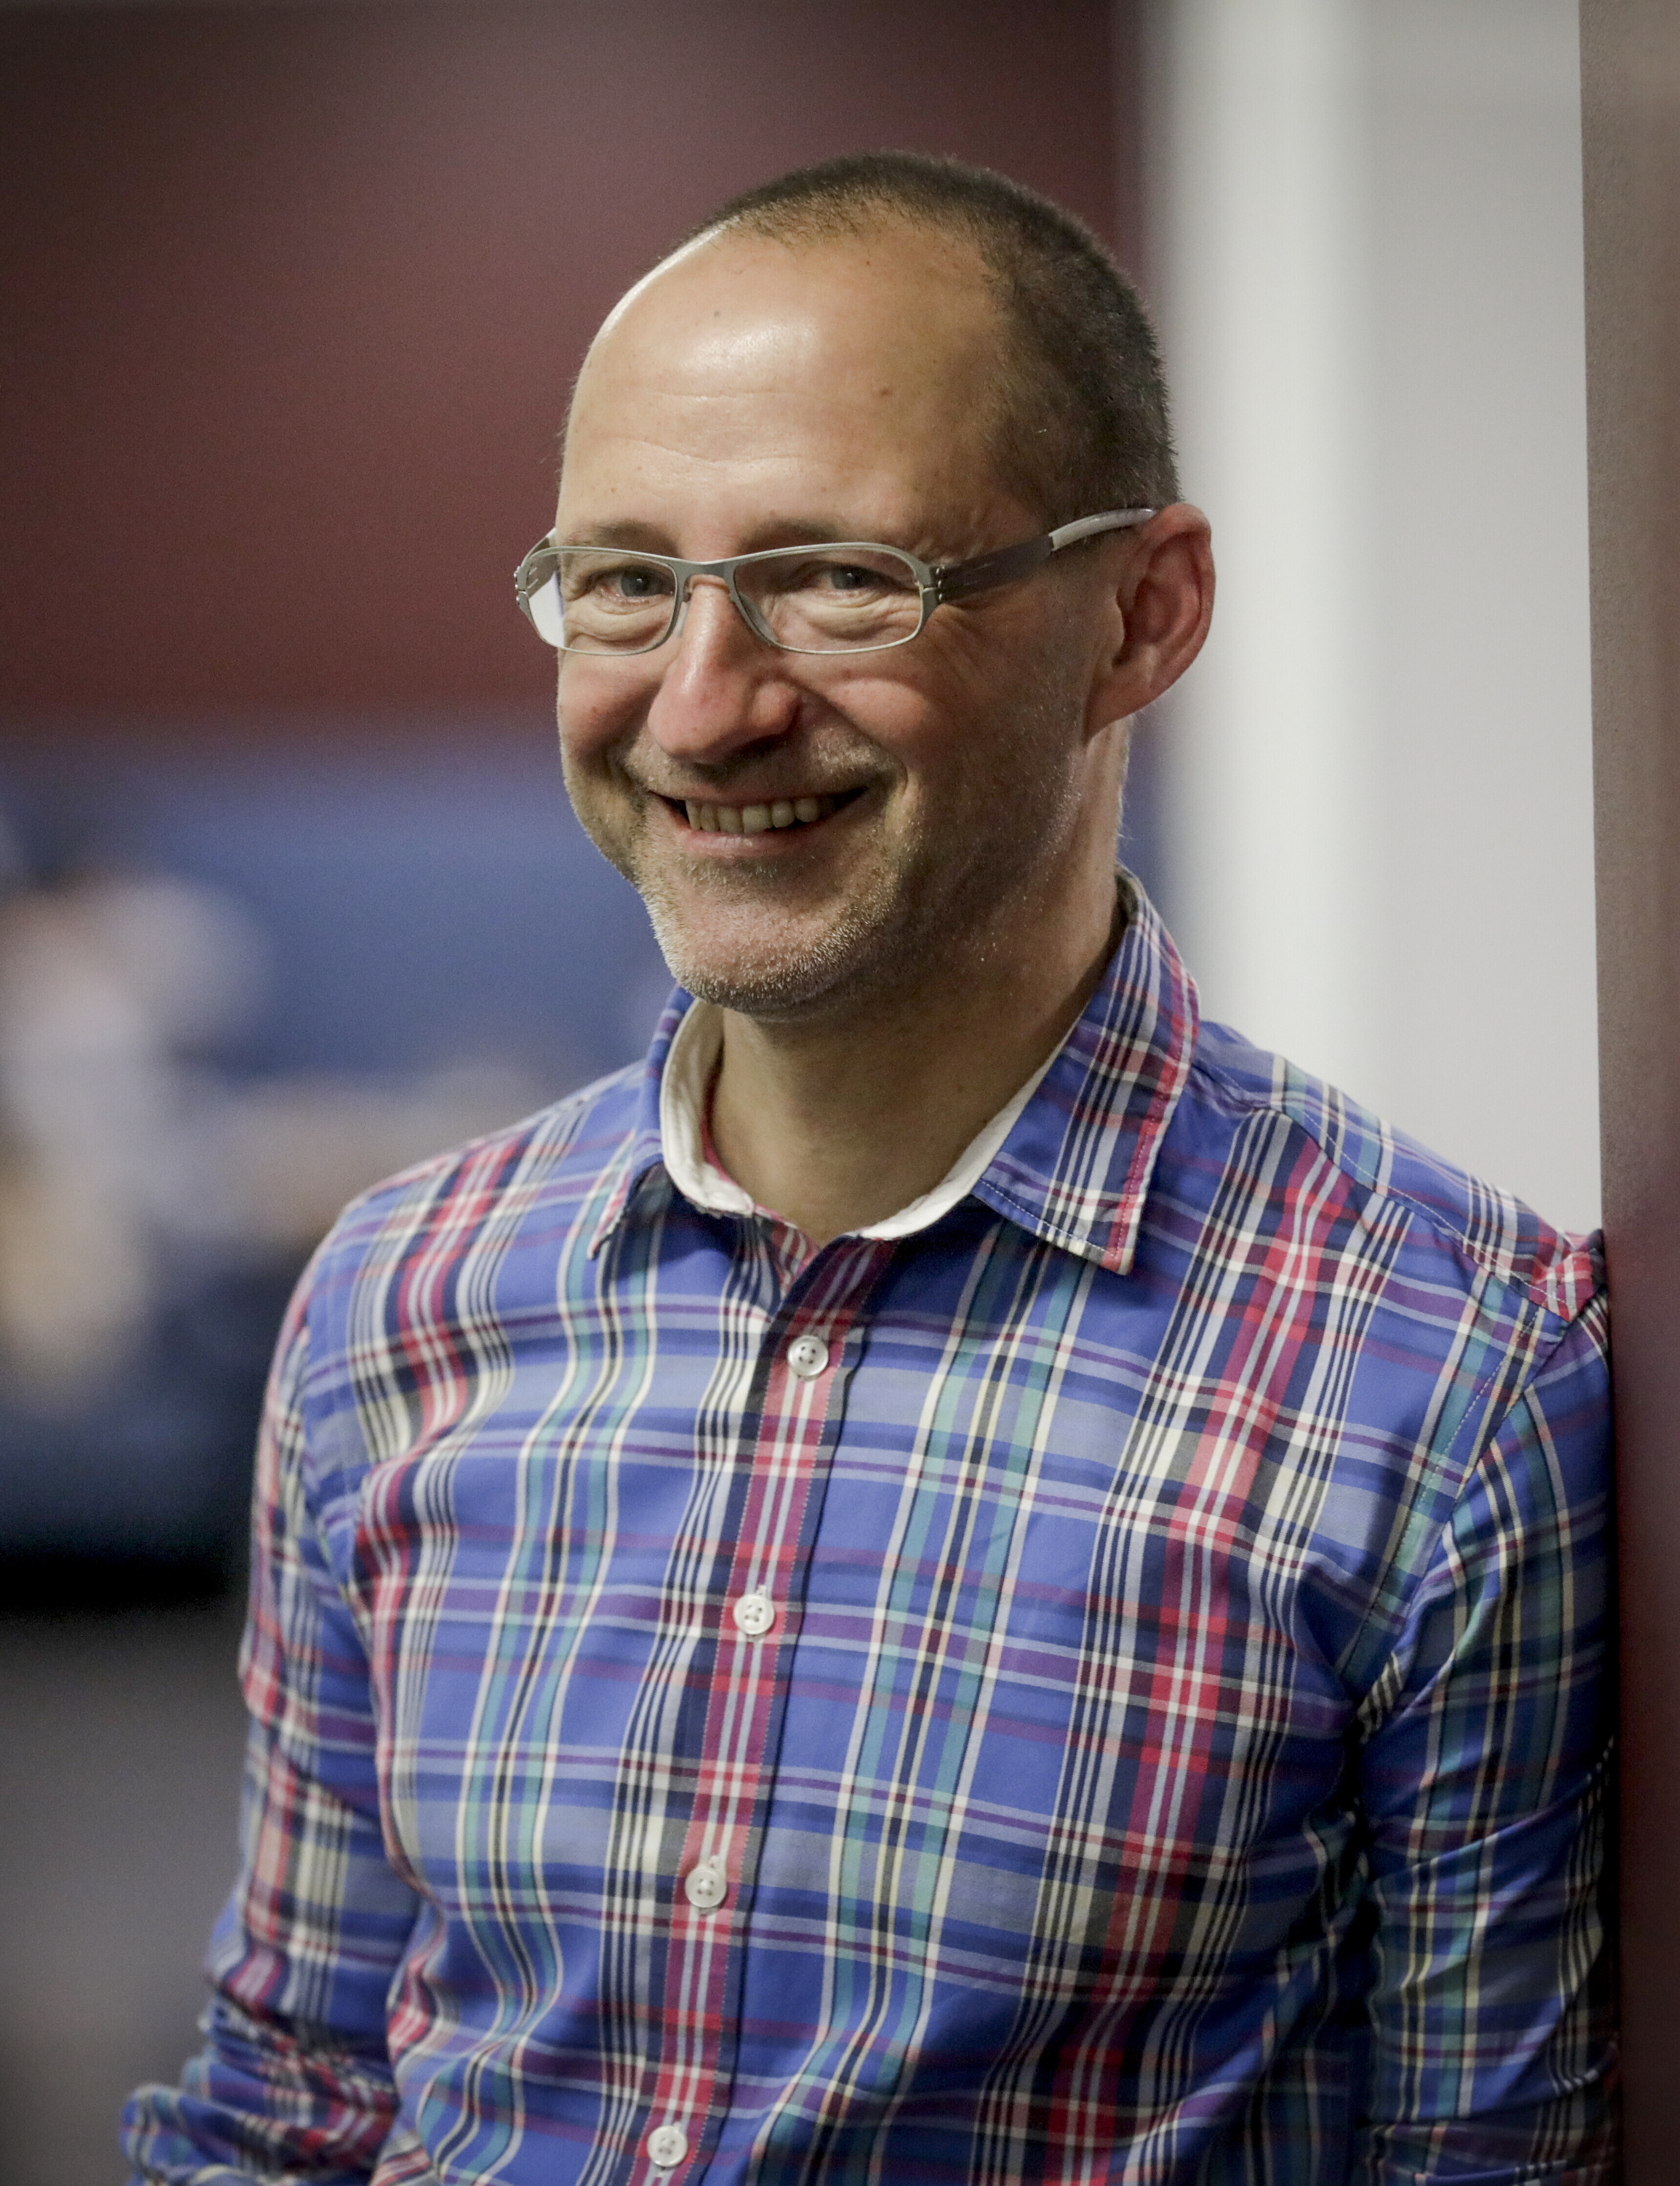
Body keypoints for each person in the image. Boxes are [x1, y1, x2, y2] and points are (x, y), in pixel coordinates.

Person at [122, 153, 1615, 2185]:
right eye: (624, 581)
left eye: (838, 578)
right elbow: (290, 2100)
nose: (703, 707)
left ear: (1143, 613)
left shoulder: (1451, 1383)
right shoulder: (399, 1301)